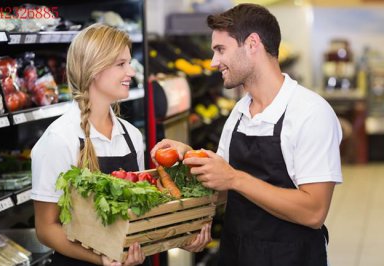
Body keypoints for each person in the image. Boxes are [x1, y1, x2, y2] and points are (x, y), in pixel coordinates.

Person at [151, 4, 342, 266]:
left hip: (290, 258)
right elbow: (222, 189)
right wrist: (190, 160)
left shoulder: (310, 112)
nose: (213, 62)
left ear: (252, 44)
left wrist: (234, 178)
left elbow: (313, 212)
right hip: (235, 254)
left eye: (220, 50)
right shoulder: (240, 112)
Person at [31, 24, 210, 266]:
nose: (131, 72)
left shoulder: (131, 135)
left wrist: (181, 236)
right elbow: (46, 228)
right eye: (121, 64)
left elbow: (136, 216)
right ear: (95, 68)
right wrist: (101, 259)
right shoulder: (59, 139)